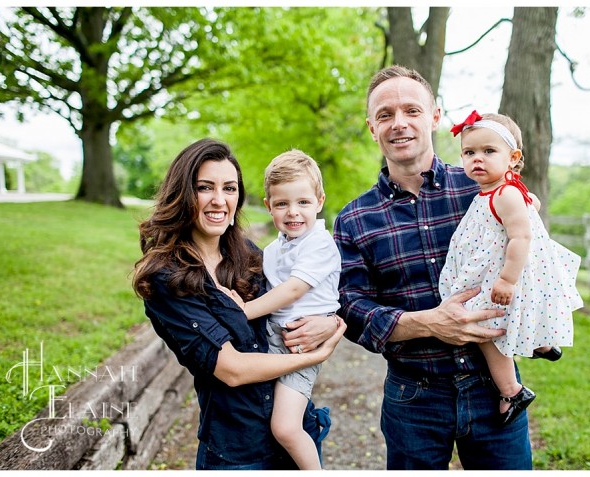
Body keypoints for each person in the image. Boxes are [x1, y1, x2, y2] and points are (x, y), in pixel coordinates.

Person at [333, 65, 532, 469]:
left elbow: (533, 258)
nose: (399, 123)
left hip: (493, 390)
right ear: (372, 127)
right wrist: (428, 323)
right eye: (385, 115)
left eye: (412, 110)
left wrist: (542, 335)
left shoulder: (484, 189)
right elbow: (350, 309)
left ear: (435, 116)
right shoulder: (354, 219)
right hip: (413, 399)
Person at [132, 138, 347, 469]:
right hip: (240, 450)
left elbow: (306, 292)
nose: (219, 200)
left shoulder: (246, 254)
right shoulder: (167, 278)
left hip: (294, 429)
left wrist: (329, 323)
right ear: (183, 194)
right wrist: (317, 355)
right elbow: (232, 370)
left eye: (229, 189)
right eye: (205, 188)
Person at [439, 110, 582, 425]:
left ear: (513, 157)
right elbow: (531, 205)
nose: (478, 158)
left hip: (504, 275)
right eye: (469, 152)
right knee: (501, 321)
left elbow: (521, 237)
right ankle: (543, 345)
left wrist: (506, 281)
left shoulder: (503, 194)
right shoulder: (499, 190)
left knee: (485, 332)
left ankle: (512, 391)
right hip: (498, 270)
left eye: (489, 151)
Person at [222, 150, 341, 470]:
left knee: (285, 427)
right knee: (268, 416)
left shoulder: (319, 243)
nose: (293, 212)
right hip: (273, 341)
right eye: (282, 204)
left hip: (300, 342)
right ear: (268, 206)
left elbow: (293, 290)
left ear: (319, 201)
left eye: (303, 202)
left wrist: (243, 311)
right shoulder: (274, 249)